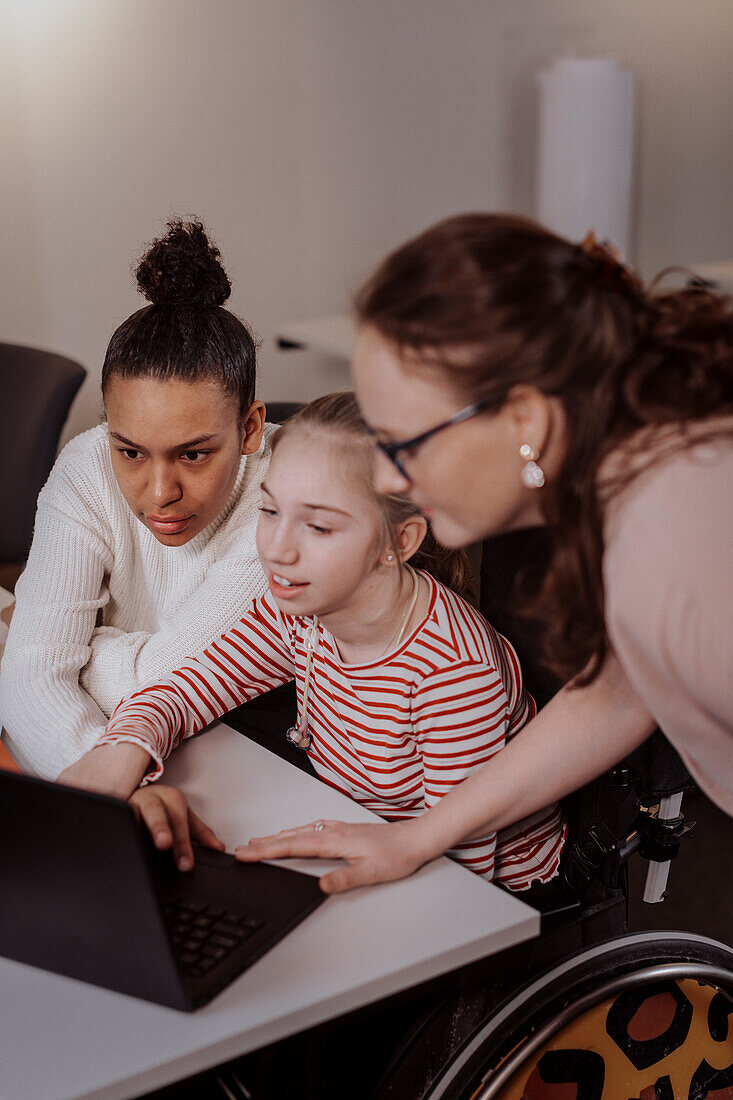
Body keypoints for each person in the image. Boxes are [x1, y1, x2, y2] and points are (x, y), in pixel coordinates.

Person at [238, 213, 733, 893]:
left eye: (403, 443)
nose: (386, 479)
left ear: (524, 419)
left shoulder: (672, 563)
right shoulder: (623, 470)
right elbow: (621, 688)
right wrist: (415, 839)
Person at [74, 391, 567, 891]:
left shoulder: (452, 673)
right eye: (269, 511)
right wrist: (121, 750)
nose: (278, 550)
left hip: (491, 894)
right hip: (359, 829)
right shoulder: (300, 610)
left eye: (318, 525)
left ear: (401, 542)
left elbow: (463, 879)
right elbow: (184, 689)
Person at [0, 219, 275, 790]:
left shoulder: (287, 500)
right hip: (137, 760)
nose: (158, 493)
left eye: (194, 455)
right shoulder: (87, 465)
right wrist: (115, 798)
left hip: (240, 754)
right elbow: (27, 680)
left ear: (250, 429)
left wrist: (48, 645)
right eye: (130, 451)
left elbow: (166, 684)